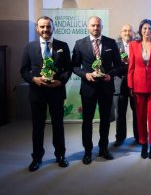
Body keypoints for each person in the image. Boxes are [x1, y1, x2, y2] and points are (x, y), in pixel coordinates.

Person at [20, 16, 72, 172]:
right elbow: (23, 70)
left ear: (53, 28)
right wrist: (34, 79)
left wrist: (60, 81)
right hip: (37, 93)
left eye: (48, 27)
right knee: (38, 127)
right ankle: (37, 157)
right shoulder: (29, 47)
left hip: (56, 92)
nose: (45, 30)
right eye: (42, 27)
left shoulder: (63, 46)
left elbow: (68, 69)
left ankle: (60, 155)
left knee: (58, 125)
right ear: (37, 28)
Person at [72, 16, 122, 164]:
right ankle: (87, 151)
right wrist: (85, 74)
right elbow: (74, 67)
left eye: (98, 25)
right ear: (88, 27)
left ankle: (104, 148)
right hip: (88, 88)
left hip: (106, 88)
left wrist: (109, 75)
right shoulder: (79, 44)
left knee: (105, 120)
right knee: (87, 121)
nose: (95, 28)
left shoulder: (111, 43)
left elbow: (118, 65)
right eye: (93, 25)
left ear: (102, 27)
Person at [128, 19, 151, 159]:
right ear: (140, 30)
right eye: (144, 28)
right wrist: (130, 85)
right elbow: (131, 67)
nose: (147, 31)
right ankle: (144, 145)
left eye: (150, 28)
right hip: (138, 87)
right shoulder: (133, 45)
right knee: (141, 117)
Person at [113, 24, 138, 146]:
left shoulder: (138, 45)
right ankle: (120, 137)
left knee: (137, 112)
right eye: (125, 30)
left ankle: (139, 137)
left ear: (133, 33)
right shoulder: (114, 46)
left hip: (136, 83)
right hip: (119, 83)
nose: (127, 33)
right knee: (120, 113)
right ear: (120, 33)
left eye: (129, 30)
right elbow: (111, 65)